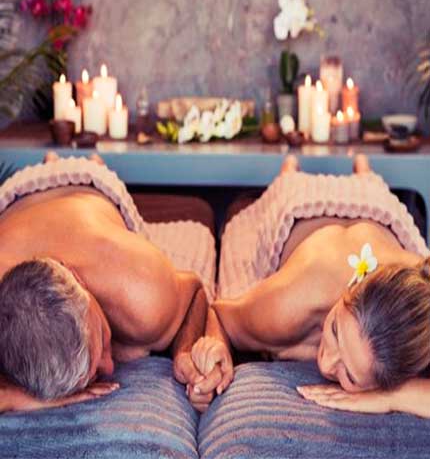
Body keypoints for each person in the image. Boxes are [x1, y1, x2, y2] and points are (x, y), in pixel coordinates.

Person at [190, 154, 430, 418]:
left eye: (350, 375)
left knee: (375, 190)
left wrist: (391, 397)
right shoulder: (292, 301)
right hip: (303, 209)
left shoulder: (421, 314)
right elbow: (219, 314)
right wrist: (218, 351)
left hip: (375, 220)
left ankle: (364, 172)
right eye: (335, 330)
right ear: (351, 288)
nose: (325, 364)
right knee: (288, 186)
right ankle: (291, 170)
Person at [0, 152, 218, 413]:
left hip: (90, 186)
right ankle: (53, 162)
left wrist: (183, 351)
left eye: (102, 339)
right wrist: (23, 398)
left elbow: (194, 291)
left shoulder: (140, 288)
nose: (111, 367)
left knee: (93, 166)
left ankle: (87, 163)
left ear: (76, 277)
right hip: (14, 199)